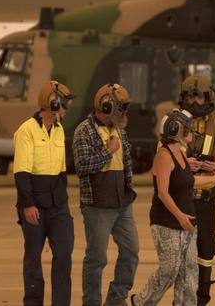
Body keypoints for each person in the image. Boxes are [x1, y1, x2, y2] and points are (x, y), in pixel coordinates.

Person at [131, 109, 215, 306]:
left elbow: (189, 181)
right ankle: (141, 301)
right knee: (170, 269)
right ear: (176, 130)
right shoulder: (164, 155)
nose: (192, 133)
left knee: (189, 272)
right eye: (188, 129)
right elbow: (162, 192)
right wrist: (179, 216)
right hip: (167, 223)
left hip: (187, 223)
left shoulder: (181, 154)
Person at [72, 83, 139, 306]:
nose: (124, 114)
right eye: (121, 108)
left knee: (131, 252)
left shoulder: (119, 129)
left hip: (122, 202)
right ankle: (91, 302)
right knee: (97, 259)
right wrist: (108, 151)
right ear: (106, 106)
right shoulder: (84, 130)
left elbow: (126, 162)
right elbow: (82, 166)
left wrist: (129, 189)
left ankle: (116, 299)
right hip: (98, 205)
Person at [13, 80, 75, 306]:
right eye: (65, 103)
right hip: (34, 205)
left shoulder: (58, 130)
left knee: (63, 254)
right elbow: (21, 172)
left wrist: (63, 203)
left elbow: (61, 171)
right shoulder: (26, 130)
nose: (67, 108)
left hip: (58, 204)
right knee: (33, 259)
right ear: (53, 102)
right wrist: (28, 205)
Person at [177, 75, 215, 306]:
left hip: (207, 201)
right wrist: (183, 163)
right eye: (191, 96)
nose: (196, 101)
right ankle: (180, 299)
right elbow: (162, 154)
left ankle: (202, 299)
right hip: (182, 199)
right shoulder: (175, 123)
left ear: (208, 97)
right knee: (181, 255)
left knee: (206, 250)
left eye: (200, 96)